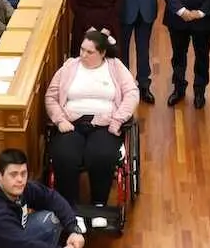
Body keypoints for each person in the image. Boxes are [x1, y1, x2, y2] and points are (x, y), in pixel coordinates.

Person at [44, 30, 140, 207]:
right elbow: (51, 96)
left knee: (101, 156)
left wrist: (118, 120)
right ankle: (68, 205)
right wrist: (59, 120)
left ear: (102, 53)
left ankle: (99, 203)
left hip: (105, 124)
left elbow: (132, 93)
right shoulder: (69, 66)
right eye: (81, 50)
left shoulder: (115, 66)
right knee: (64, 156)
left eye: (89, 52)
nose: (83, 55)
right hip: (71, 123)